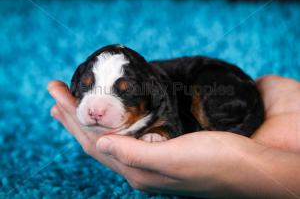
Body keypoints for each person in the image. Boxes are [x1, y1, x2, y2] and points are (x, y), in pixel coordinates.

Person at [48, 75, 300, 198]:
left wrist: (245, 168)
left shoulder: (161, 96)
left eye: (124, 93)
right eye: (86, 85)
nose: (95, 107)